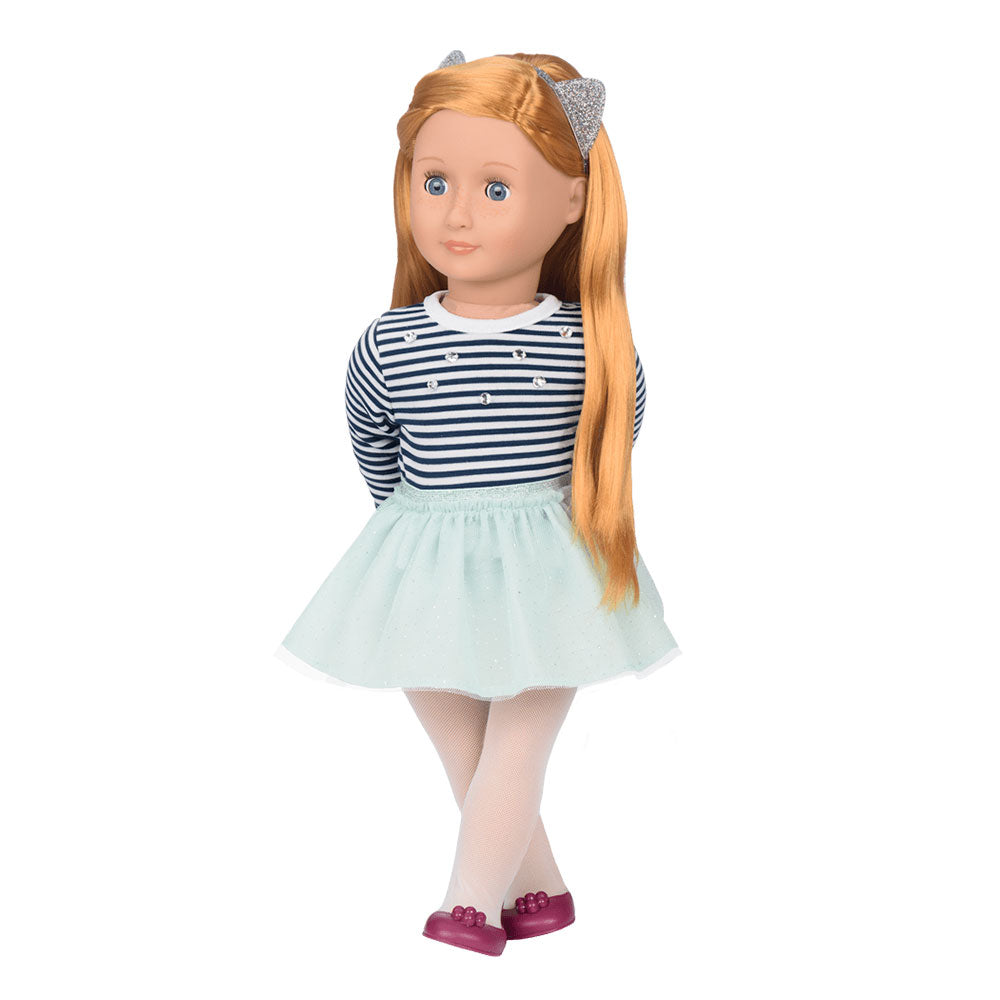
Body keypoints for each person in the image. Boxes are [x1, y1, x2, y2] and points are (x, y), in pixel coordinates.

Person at [276, 50, 682, 957]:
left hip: (553, 569)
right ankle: (540, 890)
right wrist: (423, 529)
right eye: (435, 182)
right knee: (465, 746)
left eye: (495, 189)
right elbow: (375, 449)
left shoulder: (590, 343)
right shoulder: (390, 343)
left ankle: (468, 904)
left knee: (518, 745)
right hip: (421, 564)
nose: (457, 214)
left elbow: (613, 438)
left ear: (572, 200)